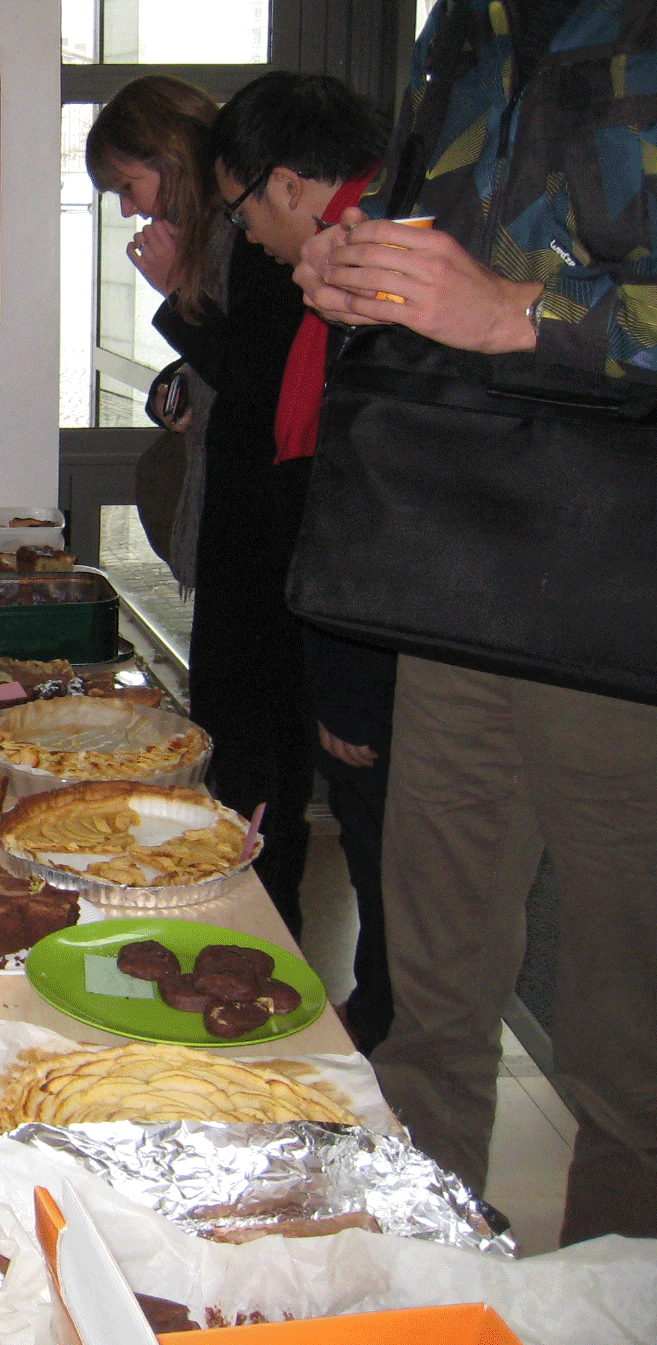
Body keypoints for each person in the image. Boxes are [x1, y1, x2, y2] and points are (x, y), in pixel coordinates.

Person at [295, 0, 657, 1242]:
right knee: (432, 1002)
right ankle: (426, 1306)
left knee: (624, 1052)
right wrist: (357, 263)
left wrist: (517, 315)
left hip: (623, 583)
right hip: (459, 563)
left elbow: (511, 295)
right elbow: (444, 234)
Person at [85, 77, 314, 935]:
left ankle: (261, 932)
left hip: (266, 548)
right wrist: (174, 387)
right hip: (238, 540)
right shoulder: (228, 244)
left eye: (128, 188)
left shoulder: (254, 246)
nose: (126, 211)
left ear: (168, 163)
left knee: (257, 764)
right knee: (237, 747)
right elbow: (226, 375)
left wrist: (174, 299)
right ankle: (239, 921)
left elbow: (265, 389)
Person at [207, 72, 397, 1050]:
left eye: (239, 208)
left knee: (392, 873)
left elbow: (368, 499)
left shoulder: (381, 266)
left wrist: (350, 687)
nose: (242, 235)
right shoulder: (355, 251)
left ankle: (377, 1051)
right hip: (336, 628)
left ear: (284, 185)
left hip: (373, 643)